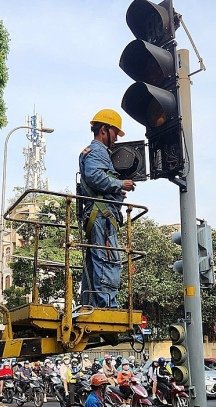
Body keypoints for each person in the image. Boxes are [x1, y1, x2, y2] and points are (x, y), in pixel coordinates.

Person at [78, 109, 136, 308]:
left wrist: (116, 192)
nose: (116, 139)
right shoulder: (98, 151)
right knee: (108, 258)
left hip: (99, 212)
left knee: (96, 260)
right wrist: (120, 184)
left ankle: (92, 303)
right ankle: (107, 305)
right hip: (102, 214)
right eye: (115, 133)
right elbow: (94, 176)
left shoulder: (93, 152)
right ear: (104, 129)